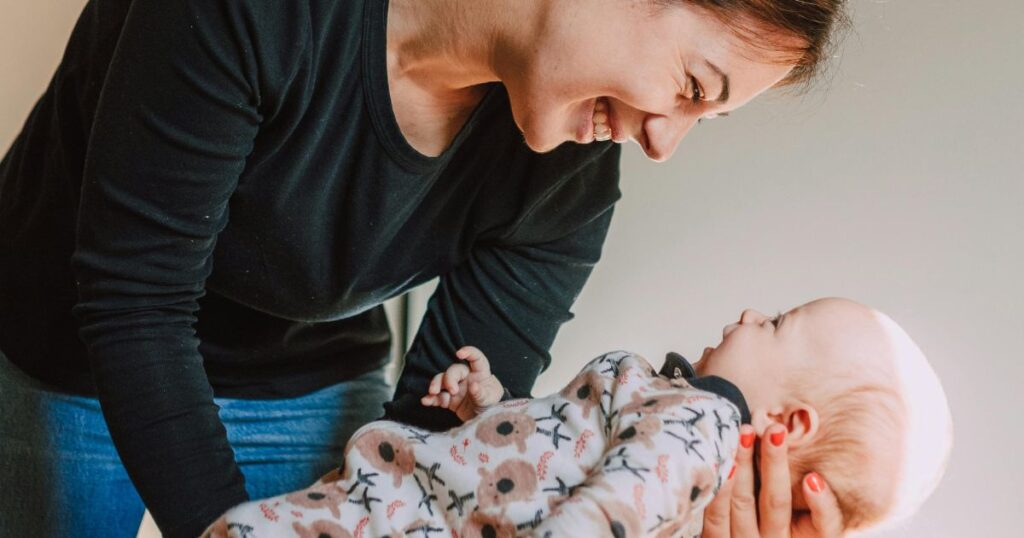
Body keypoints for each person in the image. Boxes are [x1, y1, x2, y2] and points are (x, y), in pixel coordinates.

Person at [0, 0, 851, 536]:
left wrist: (666, 503)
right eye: (694, 87)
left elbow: (436, 479)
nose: (665, 141)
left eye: (708, 118)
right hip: (72, 343)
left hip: (303, 369)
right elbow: (133, 302)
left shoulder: (571, 182)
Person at [202, 298, 952, 537]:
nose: (754, 312)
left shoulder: (699, 428)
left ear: (793, 422)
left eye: (780, 323)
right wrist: (487, 409)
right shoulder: (672, 408)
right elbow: (551, 459)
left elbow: (601, 514)